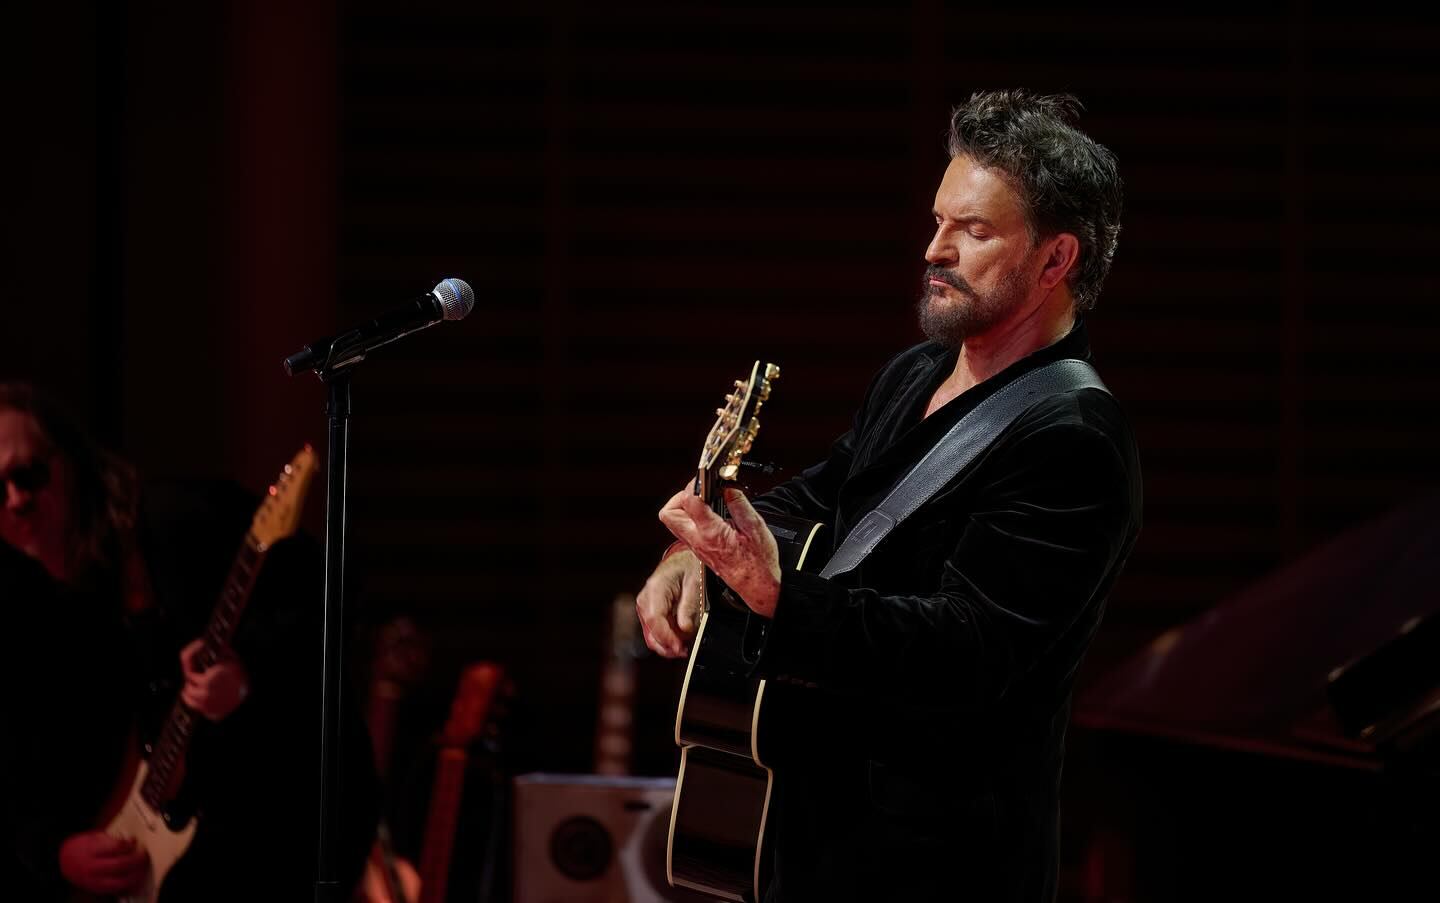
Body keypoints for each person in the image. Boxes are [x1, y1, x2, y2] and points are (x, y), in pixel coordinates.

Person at [636, 90, 1143, 902]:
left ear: (1056, 260)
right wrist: (691, 553)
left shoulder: (1074, 439)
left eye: (974, 230)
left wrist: (777, 597)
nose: (935, 249)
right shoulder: (915, 373)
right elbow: (813, 500)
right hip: (810, 832)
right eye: (939, 221)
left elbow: (963, 651)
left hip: (934, 864)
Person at [0, 382, 377, 901]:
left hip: (291, 828)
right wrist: (57, 852)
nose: (15, 501)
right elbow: (21, 764)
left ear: (69, 460)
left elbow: (335, 590)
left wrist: (249, 673)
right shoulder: (27, 605)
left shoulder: (176, 521)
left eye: (28, 475)